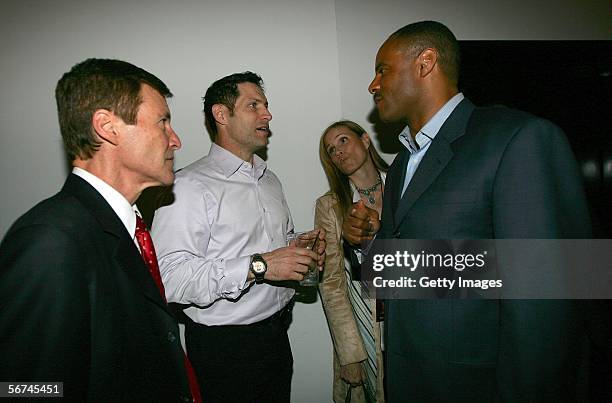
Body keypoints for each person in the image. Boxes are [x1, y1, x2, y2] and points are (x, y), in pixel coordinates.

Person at [344, 21, 592, 402]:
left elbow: (546, 294)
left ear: (426, 63)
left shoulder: (517, 138)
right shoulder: (400, 167)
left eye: (382, 69)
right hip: (412, 377)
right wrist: (367, 246)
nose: (373, 85)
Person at [0, 58, 201, 402]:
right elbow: (24, 390)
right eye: (163, 123)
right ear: (107, 127)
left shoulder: (128, 226)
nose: (176, 140)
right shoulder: (50, 240)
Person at [151, 71, 325, 403]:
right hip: (225, 351)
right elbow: (169, 280)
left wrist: (299, 249)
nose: (267, 115)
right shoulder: (188, 187)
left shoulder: (270, 179)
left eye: (267, 106)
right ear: (222, 115)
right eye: (254, 105)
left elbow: (277, 243)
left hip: (276, 338)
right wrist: (259, 266)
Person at [316, 120, 388, 403]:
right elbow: (331, 284)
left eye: (343, 141)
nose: (339, 153)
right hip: (366, 329)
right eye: (332, 150)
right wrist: (349, 353)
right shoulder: (330, 206)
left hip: (413, 324)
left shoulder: (405, 184)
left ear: (365, 140)